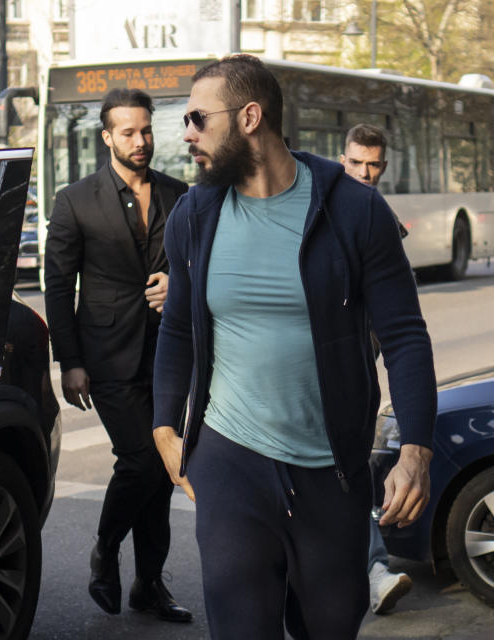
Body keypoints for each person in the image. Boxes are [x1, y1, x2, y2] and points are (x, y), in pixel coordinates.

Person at [152, 54, 436, 638]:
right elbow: (178, 326)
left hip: (330, 469)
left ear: (250, 117)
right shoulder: (194, 214)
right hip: (229, 460)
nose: (186, 134)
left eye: (198, 119)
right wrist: (164, 427)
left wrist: (416, 449)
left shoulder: (354, 212)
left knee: (328, 626)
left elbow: (405, 336)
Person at [44, 88, 192, 623]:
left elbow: (201, 265)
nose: (140, 141)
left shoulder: (180, 196)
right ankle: (106, 550)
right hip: (106, 358)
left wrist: (178, 282)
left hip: (170, 356)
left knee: (161, 469)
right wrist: (70, 361)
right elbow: (58, 286)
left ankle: (148, 584)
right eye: (128, 132)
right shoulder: (75, 200)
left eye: (146, 130)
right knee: (142, 460)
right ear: (107, 137)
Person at [340, 123, 415, 614]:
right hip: (314, 367)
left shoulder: (383, 219)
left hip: (358, 371)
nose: (365, 174)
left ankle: (370, 570)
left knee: (350, 468)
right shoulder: (318, 207)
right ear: (340, 160)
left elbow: (401, 319)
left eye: (374, 166)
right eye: (356, 164)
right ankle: (370, 570)